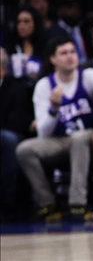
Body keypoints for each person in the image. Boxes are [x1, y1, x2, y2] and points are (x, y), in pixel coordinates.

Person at [15, 37, 93, 221]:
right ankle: (47, 203)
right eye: (64, 53)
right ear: (53, 59)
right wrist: (53, 110)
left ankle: (77, 203)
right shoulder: (44, 86)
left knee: (79, 138)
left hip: (87, 137)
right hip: (58, 140)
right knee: (24, 150)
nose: (70, 57)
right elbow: (43, 132)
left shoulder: (86, 76)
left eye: (73, 52)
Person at [0, 48, 35, 218]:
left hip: (11, 134)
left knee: (8, 140)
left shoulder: (16, 87)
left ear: (2, 70)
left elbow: (20, 121)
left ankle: (8, 203)